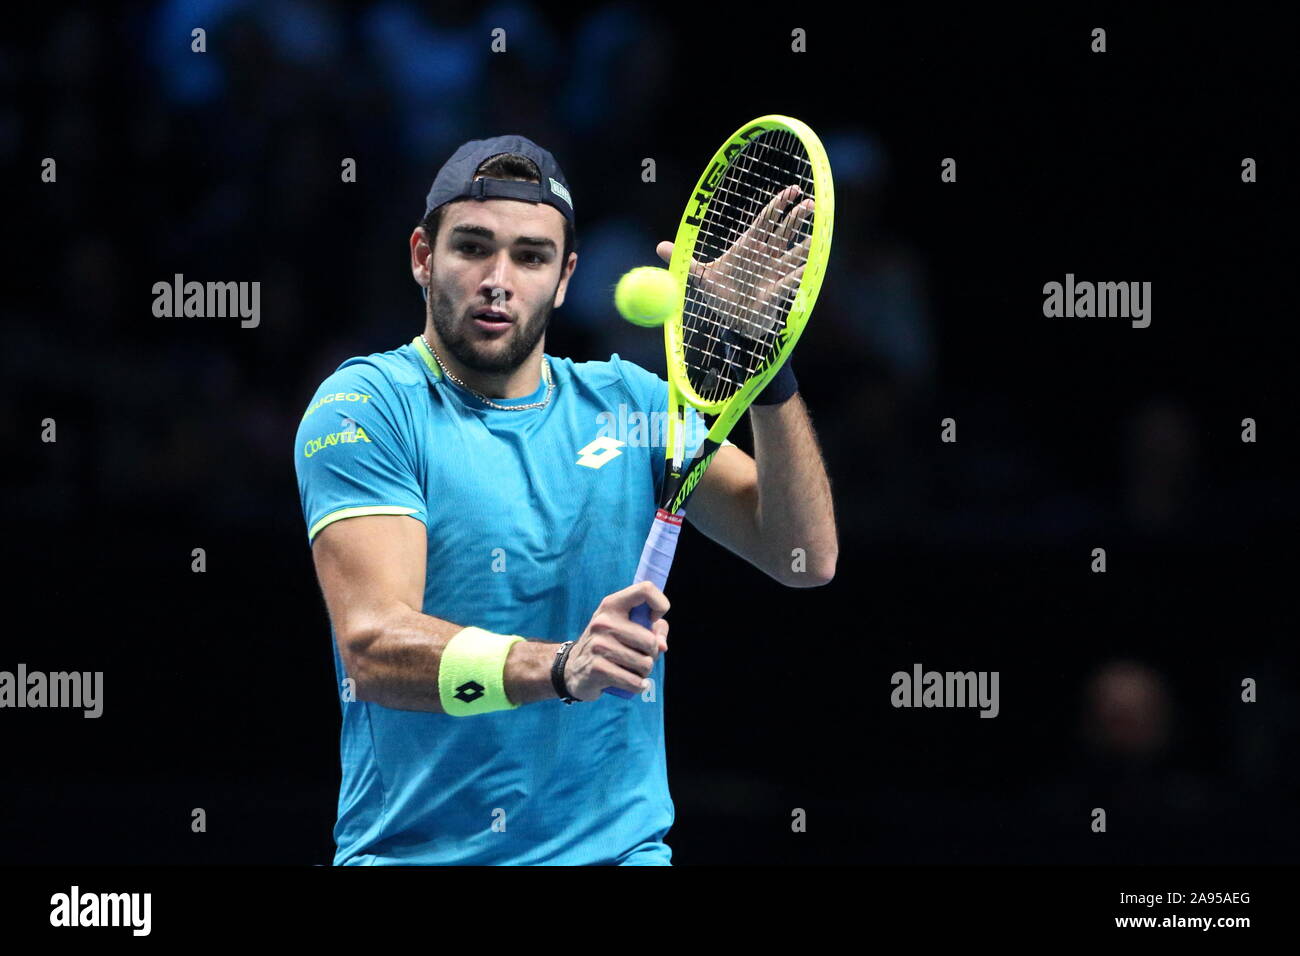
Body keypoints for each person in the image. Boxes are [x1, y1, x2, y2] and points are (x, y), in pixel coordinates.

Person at [294, 134, 837, 865]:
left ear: (564, 276)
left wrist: (770, 366)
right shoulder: (367, 405)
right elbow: (374, 646)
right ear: (423, 257)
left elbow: (803, 557)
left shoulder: (634, 407)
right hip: (415, 854)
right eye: (472, 248)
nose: (498, 279)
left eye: (530, 256)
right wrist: (561, 667)